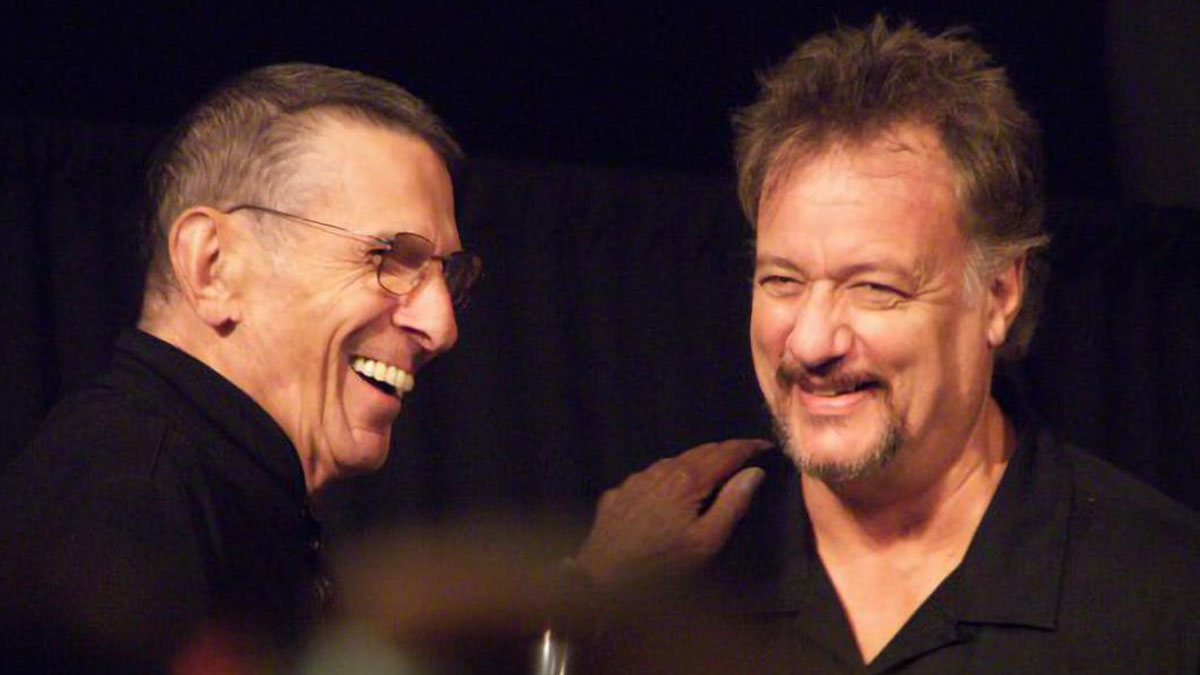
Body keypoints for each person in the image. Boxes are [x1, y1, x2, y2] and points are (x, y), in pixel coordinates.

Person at [0, 63, 767, 673]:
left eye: (447, 275)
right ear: (213, 265)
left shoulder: (214, 491)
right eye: (390, 258)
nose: (442, 325)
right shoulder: (125, 506)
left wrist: (585, 589)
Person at [582, 17, 1200, 673]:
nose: (811, 342)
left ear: (999, 294)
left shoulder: (1162, 595)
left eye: (875, 287)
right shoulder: (670, 589)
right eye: (782, 281)